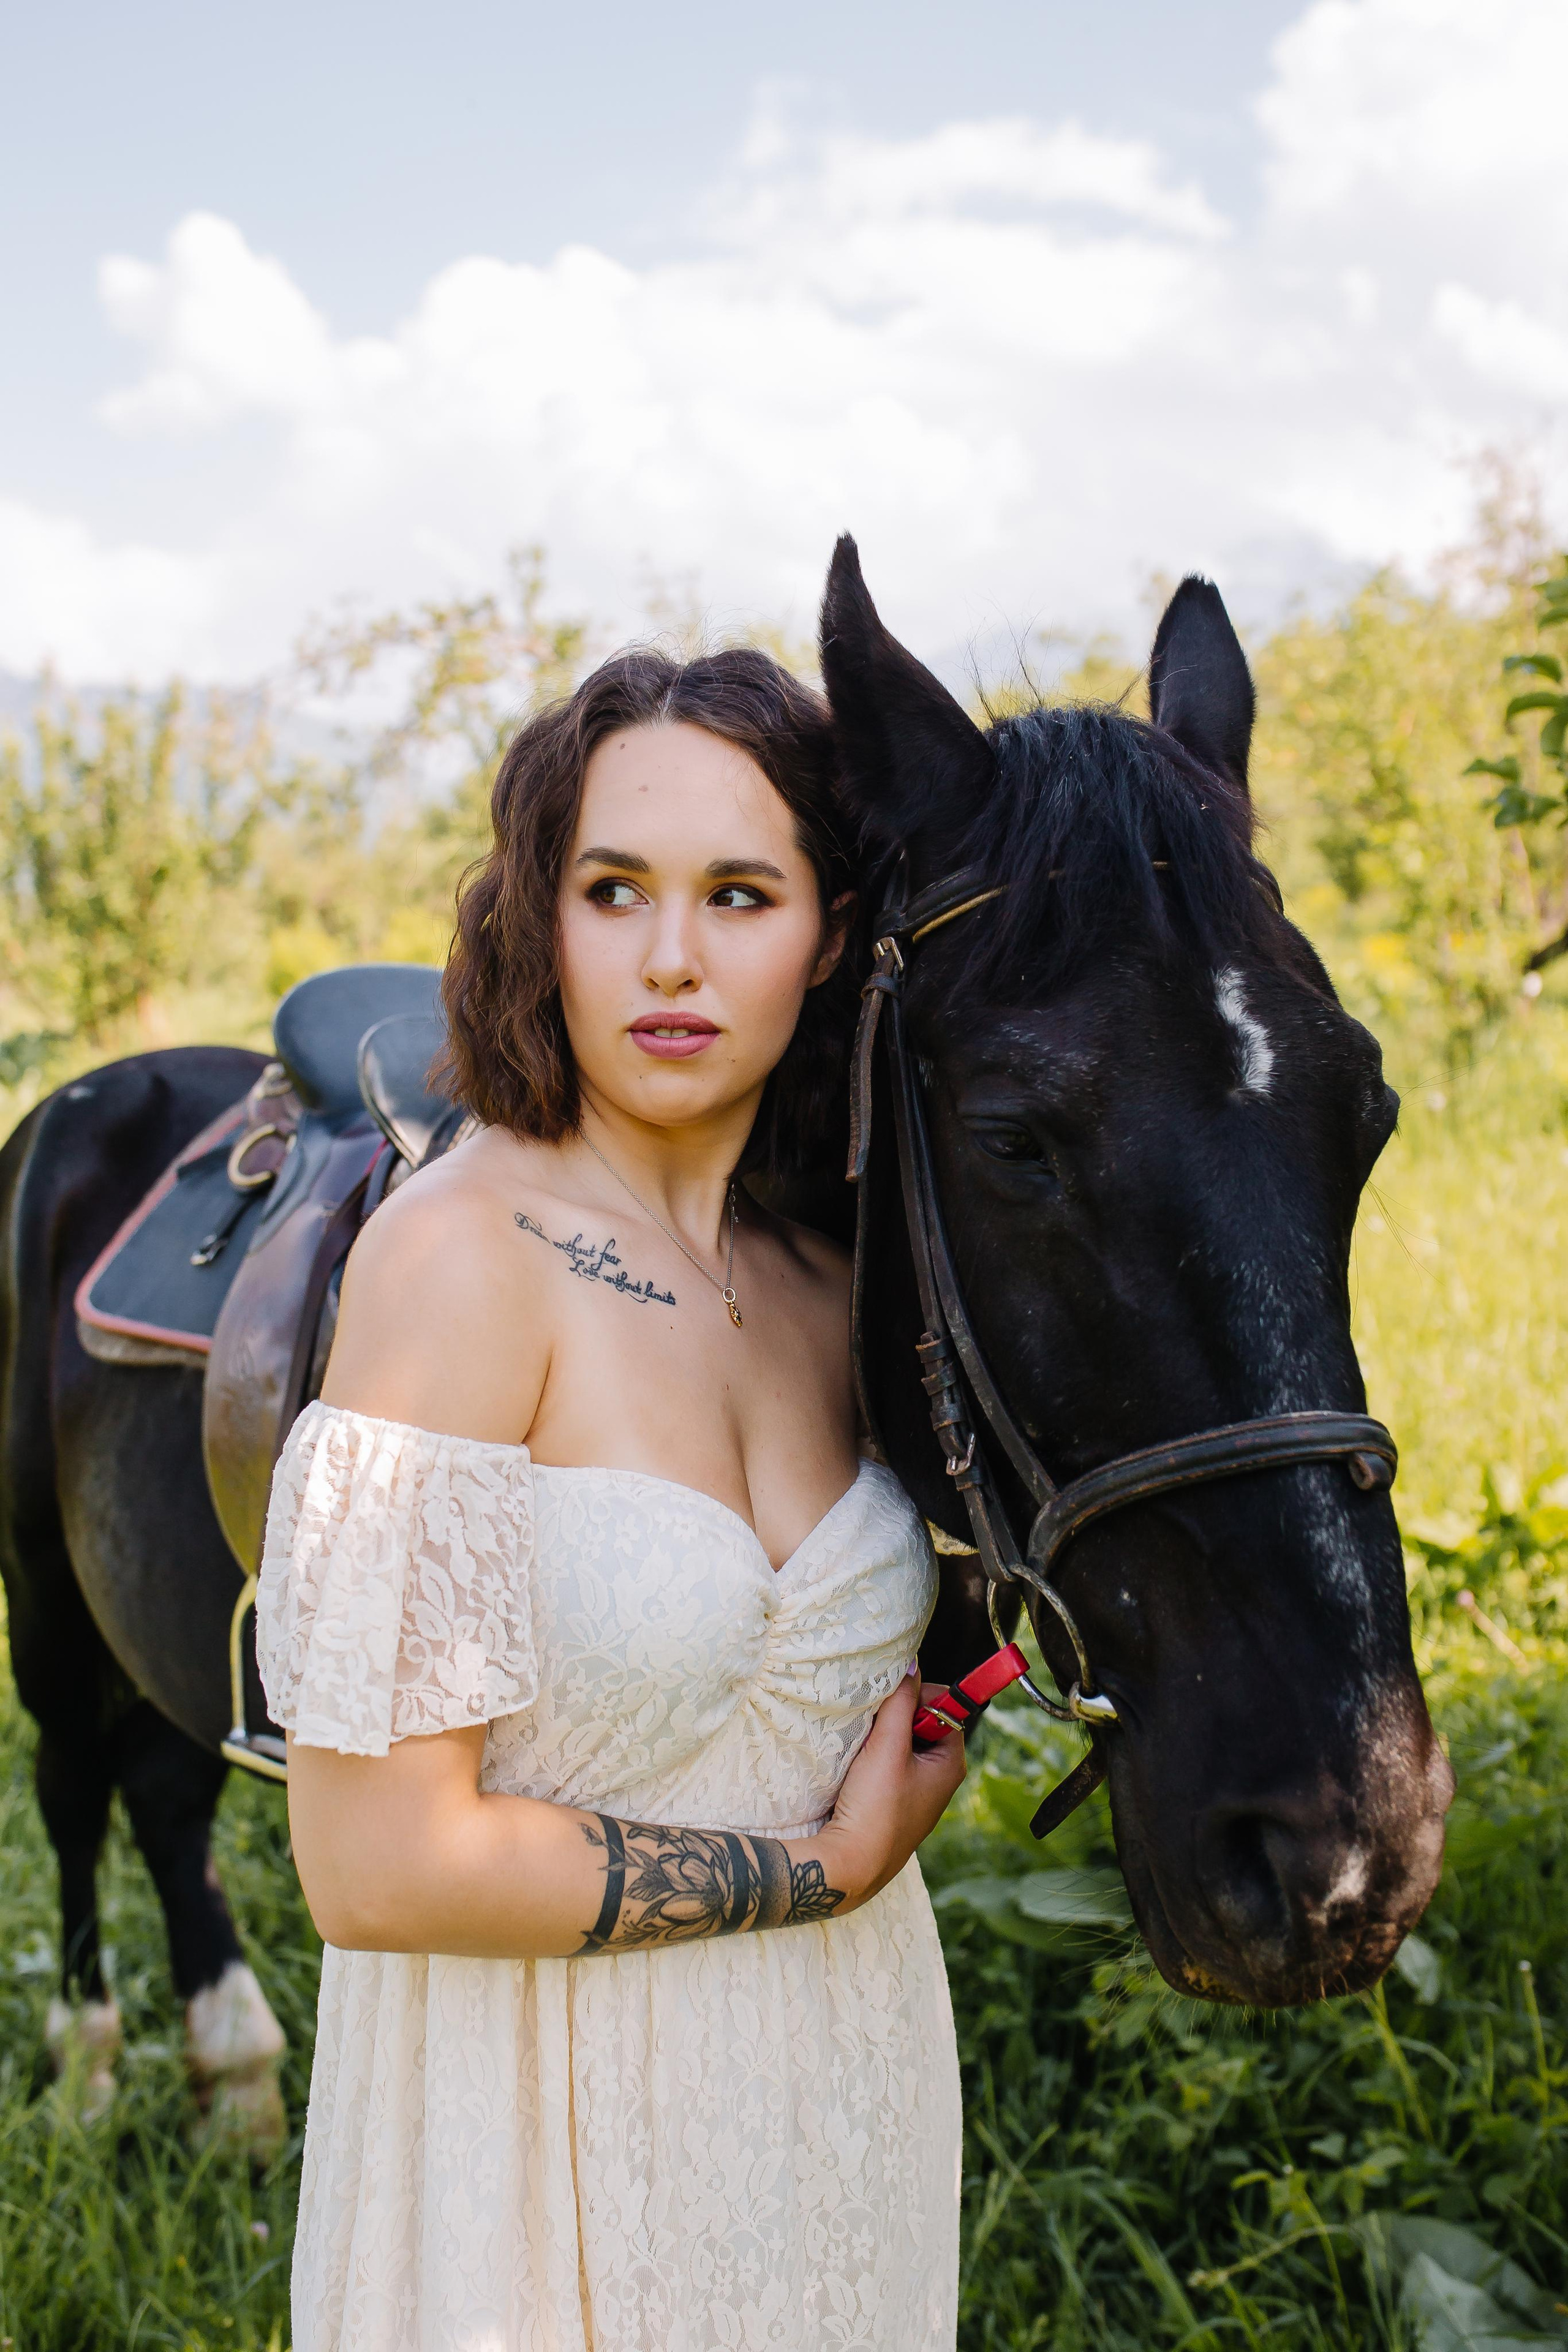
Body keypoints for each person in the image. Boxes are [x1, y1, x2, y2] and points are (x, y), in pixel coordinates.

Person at [256, 644, 968, 2352]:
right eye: (612, 890)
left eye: (740, 894)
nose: (670, 959)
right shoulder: (461, 1260)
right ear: (536, 920)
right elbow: (374, 1867)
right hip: (533, 2163)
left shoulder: (831, 1272)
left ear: (829, 929)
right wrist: (820, 1872)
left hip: (842, 2106)